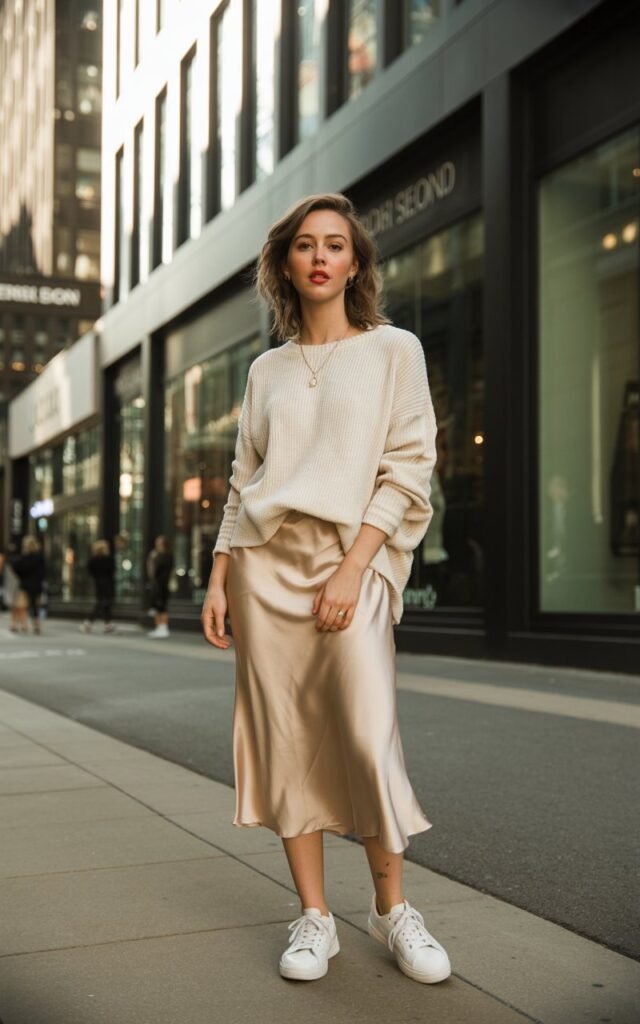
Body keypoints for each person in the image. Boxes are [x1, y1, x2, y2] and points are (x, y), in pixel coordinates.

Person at [201, 193, 451, 985]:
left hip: (354, 562)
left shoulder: (393, 351)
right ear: (285, 263)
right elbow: (245, 480)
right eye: (305, 245)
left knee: (368, 734)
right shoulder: (264, 369)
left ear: (354, 263)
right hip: (264, 570)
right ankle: (313, 917)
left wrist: (355, 567)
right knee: (287, 741)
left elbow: (410, 467)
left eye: (335, 245)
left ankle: (390, 909)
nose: (319, 257)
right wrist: (219, 575)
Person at [11, 536, 46, 635]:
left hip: (25, 583)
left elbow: (16, 568)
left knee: (21, 605)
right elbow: (43, 572)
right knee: (35, 605)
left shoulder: (24, 557)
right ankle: (35, 624)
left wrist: (21, 576)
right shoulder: (39, 557)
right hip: (36, 584)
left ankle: (20, 624)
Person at [82, 539, 116, 633]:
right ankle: (89, 621)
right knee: (102, 603)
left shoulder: (93, 560)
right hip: (107, 583)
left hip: (98, 583)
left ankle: (108, 624)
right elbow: (112, 570)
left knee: (104, 603)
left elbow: (90, 571)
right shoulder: (108, 559)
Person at [146, 535, 173, 638]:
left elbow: (165, 570)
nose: (157, 543)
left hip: (164, 584)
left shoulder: (167, 556)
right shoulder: (154, 554)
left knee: (162, 606)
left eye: (160, 542)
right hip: (156, 583)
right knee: (156, 607)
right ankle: (158, 627)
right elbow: (151, 570)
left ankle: (164, 627)